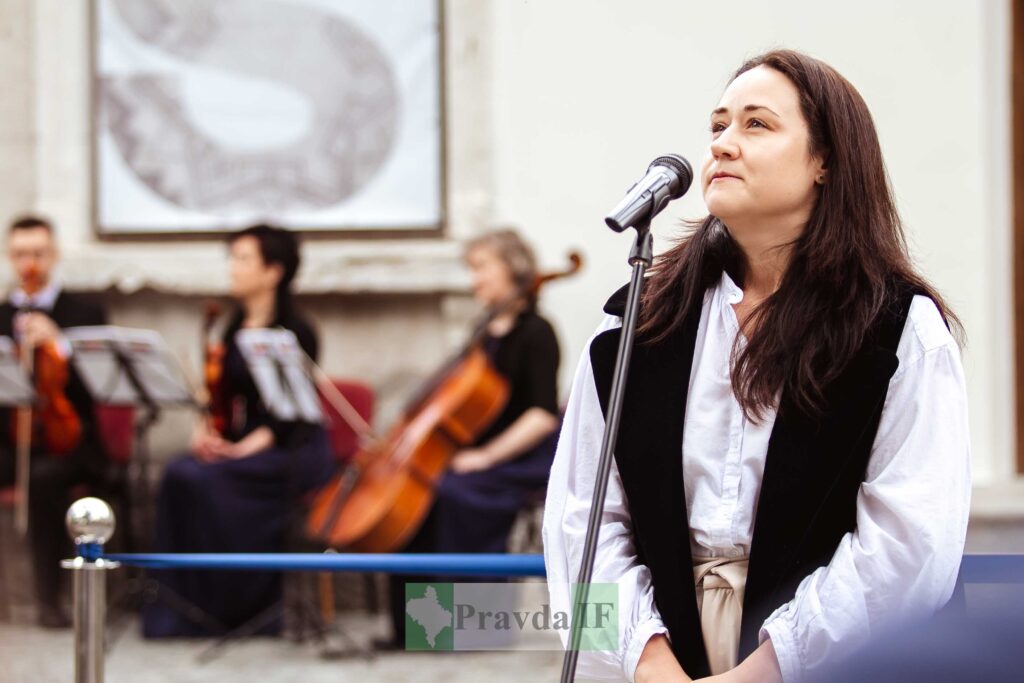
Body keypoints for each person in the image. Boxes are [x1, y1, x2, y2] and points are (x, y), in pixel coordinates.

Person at [543, 49, 971, 683]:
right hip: (665, 656)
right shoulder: (633, 322)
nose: (723, 145)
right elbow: (582, 516)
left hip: (839, 663)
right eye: (718, 125)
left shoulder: (898, 329)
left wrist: (764, 672)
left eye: (756, 125)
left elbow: (909, 546)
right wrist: (650, 663)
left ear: (826, 160)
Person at [142, 224, 334, 638]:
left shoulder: (297, 330)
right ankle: (187, 611)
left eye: (243, 259)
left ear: (273, 271)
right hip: (247, 445)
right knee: (180, 473)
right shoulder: (231, 327)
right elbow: (218, 399)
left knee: (207, 482)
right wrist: (206, 433)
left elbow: (290, 417)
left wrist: (242, 450)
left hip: (291, 449)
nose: (233, 268)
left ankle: (244, 609)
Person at [381, 229, 562, 648]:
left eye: (481, 267)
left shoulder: (537, 332)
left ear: (513, 269)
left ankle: (468, 628)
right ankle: (414, 630)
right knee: (418, 492)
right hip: (479, 453)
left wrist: (485, 458)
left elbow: (539, 416)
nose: (473, 280)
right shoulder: (484, 333)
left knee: (451, 493)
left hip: (521, 455)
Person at [0, 214, 108, 628]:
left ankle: (50, 600)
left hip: (73, 441)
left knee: (45, 478)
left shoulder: (84, 310)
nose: (30, 262)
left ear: (54, 255)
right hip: (16, 438)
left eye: (39, 253)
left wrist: (58, 345)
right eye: (21, 254)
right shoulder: (2, 311)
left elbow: (99, 386)